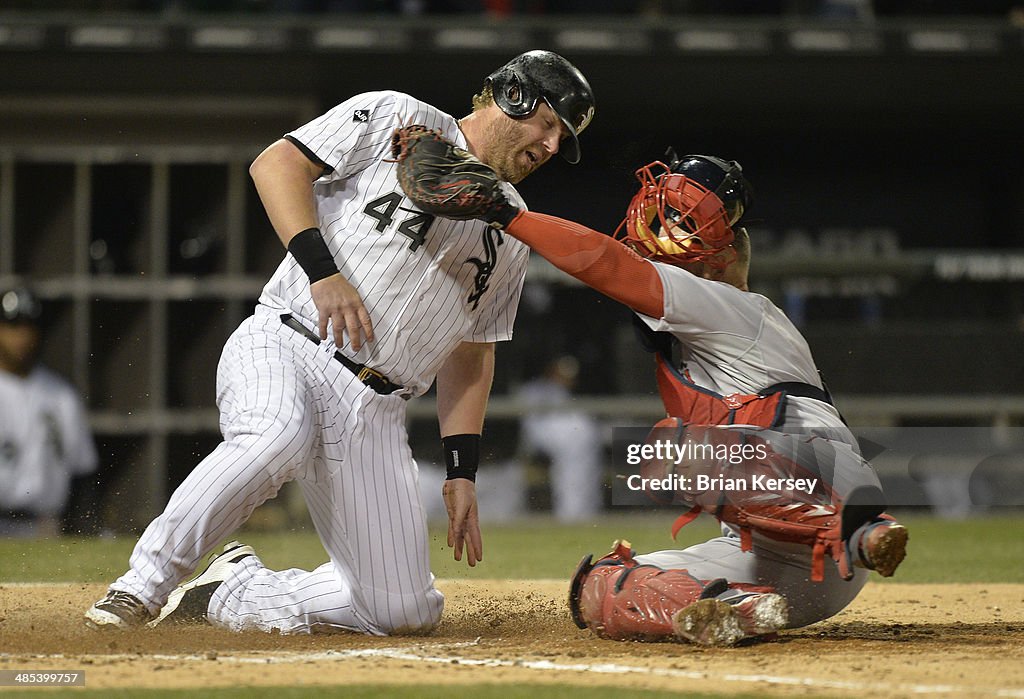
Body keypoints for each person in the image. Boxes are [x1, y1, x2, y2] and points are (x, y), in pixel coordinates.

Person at [84, 49, 596, 634]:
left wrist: (462, 470)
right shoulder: (396, 115)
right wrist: (322, 270)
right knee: (275, 437)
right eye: (549, 124)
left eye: (564, 139)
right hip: (291, 343)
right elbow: (274, 165)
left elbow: (473, 350)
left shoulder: (511, 226)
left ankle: (233, 592)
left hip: (377, 410)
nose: (552, 147)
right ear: (513, 98)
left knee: (403, 612)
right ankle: (139, 589)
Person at [392, 140, 909, 646]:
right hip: (796, 574)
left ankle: (865, 532)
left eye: (685, 224)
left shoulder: (730, 304)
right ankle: (740, 610)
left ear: (725, 257)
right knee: (597, 590)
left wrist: (503, 210)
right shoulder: (697, 330)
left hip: (829, 488)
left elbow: (609, 266)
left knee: (672, 449)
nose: (668, 229)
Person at [0, 285, 98, 538]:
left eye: (28, 326)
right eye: (12, 326)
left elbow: (82, 471)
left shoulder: (61, 395)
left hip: (45, 527)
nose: (21, 336)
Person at [516, 355, 603, 521]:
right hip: (547, 440)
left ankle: (585, 510)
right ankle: (571, 512)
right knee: (575, 442)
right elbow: (531, 426)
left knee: (583, 438)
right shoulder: (532, 390)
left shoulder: (565, 392)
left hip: (578, 446)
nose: (566, 379)